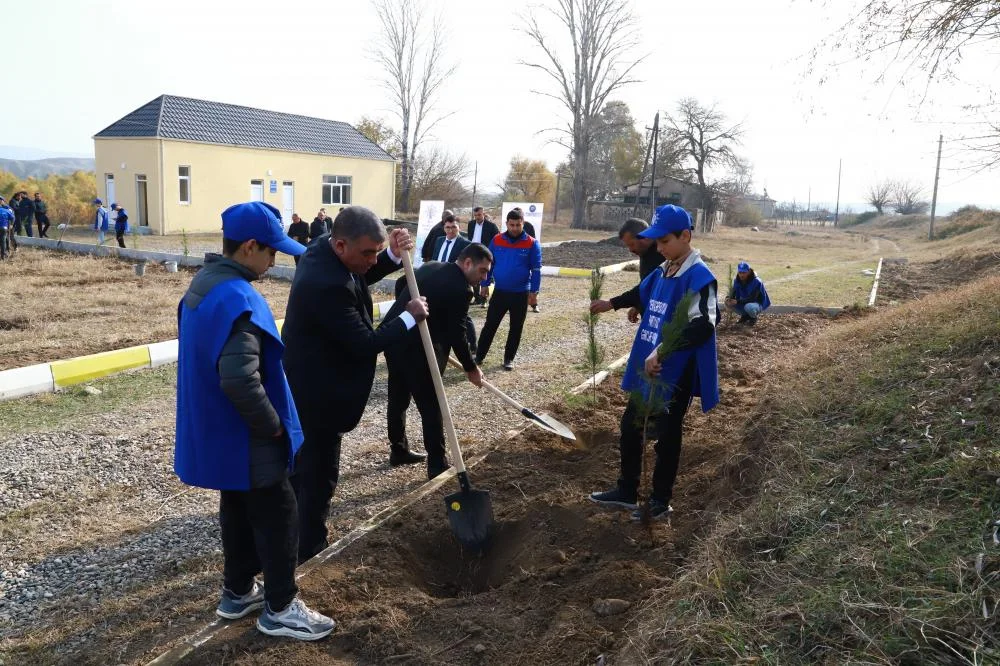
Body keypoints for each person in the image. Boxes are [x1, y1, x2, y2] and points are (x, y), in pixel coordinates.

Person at [173, 201, 333, 640]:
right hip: (249, 436)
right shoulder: (239, 298)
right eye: (271, 251)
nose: (274, 260)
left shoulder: (204, 284)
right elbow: (240, 379)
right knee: (280, 513)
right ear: (248, 247)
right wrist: (273, 426)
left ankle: (238, 590)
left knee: (238, 509)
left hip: (223, 434)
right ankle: (280, 607)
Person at [282, 206, 429, 563]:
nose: (372, 260)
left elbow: (361, 272)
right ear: (341, 245)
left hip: (309, 382)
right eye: (368, 253)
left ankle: (293, 539)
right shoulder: (325, 285)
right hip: (318, 393)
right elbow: (364, 343)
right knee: (318, 475)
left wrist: (393, 253)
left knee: (304, 472)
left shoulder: (325, 249)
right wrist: (408, 317)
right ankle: (309, 551)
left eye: (377, 252)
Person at [589, 205, 719, 522]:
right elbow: (642, 292)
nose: (658, 249)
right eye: (656, 243)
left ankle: (661, 500)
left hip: (676, 369)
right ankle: (627, 491)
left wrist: (662, 350)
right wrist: (612, 304)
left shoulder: (699, 277)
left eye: (664, 242)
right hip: (650, 363)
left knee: (667, 433)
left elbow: (705, 323)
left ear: (685, 236)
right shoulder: (665, 269)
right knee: (631, 425)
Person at [382, 243, 491, 479]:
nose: (484, 277)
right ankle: (437, 464)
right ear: (468, 263)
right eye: (482, 271)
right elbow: (457, 333)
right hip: (417, 349)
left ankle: (398, 450)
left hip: (394, 338)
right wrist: (471, 368)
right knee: (432, 405)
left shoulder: (432, 266)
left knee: (398, 398)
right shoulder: (462, 289)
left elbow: (403, 284)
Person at [475, 208, 542, 371]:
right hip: (500, 292)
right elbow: (488, 264)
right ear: (506, 224)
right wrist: (484, 285)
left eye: (518, 225)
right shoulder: (497, 240)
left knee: (516, 327)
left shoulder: (532, 243)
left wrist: (534, 292)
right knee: (490, 324)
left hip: (521, 294)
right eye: (511, 225)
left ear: (523, 223)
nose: (514, 228)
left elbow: (537, 270)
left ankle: (508, 359)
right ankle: (479, 356)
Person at [590, 218, 664, 322]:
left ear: (644, 237)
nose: (630, 250)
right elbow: (647, 284)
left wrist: (610, 304)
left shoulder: (660, 255)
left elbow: (647, 287)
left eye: (632, 244)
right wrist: (639, 305)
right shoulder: (646, 252)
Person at [468, 207, 499, 306]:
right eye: (475, 215)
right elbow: (470, 237)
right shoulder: (471, 224)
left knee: (485, 275)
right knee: (474, 274)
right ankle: (477, 298)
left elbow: (496, 241)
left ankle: (484, 299)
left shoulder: (491, 226)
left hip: (486, 254)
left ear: (484, 214)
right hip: (474, 252)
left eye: (479, 215)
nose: (477, 217)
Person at [726, 261, 770, 326]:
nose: (741, 275)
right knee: (728, 302)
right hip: (744, 302)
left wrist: (737, 301)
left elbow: (752, 298)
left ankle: (753, 318)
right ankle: (745, 316)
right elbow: (733, 293)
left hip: (756, 304)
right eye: (740, 272)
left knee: (749, 307)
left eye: (744, 272)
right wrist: (728, 299)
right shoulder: (737, 281)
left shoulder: (757, 282)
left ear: (749, 272)